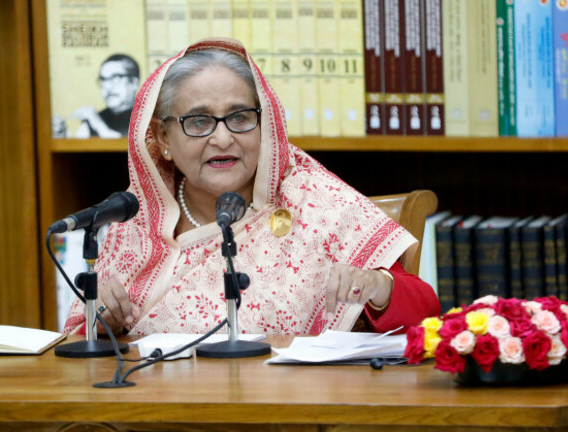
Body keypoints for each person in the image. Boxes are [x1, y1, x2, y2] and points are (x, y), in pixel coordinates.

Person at [63, 38, 440, 336]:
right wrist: (103, 322)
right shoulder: (134, 223)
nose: (223, 139)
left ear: (266, 124)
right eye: (198, 122)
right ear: (162, 136)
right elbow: (83, 341)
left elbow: (424, 311)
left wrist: (376, 286)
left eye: (240, 117)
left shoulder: (315, 204)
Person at [73, 54, 140, 138]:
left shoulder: (150, 118)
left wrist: (99, 126)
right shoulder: (93, 121)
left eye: (115, 78)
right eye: (103, 80)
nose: (107, 86)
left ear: (134, 83)